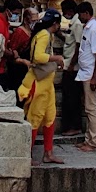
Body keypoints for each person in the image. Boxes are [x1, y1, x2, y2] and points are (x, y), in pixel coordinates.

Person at [18, 9, 65, 164]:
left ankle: (48, 153)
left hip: (46, 83)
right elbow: (38, 57)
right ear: (55, 24)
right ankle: (27, 154)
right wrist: (56, 58)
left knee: (50, 117)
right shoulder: (44, 35)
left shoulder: (45, 34)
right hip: (39, 84)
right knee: (35, 118)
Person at [75, 0, 96, 152]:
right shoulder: (88, 28)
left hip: (90, 74)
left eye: (80, 15)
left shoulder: (94, 29)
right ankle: (88, 139)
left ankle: (93, 142)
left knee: (91, 108)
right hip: (85, 72)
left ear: (86, 13)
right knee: (87, 108)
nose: (79, 17)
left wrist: (94, 77)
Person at [57, 0, 85, 136]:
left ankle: (75, 126)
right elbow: (71, 40)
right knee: (68, 97)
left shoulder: (78, 24)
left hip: (72, 66)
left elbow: (79, 46)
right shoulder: (72, 24)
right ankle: (69, 125)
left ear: (69, 10)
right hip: (68, 63)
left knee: (72, 98)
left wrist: (72, 65)